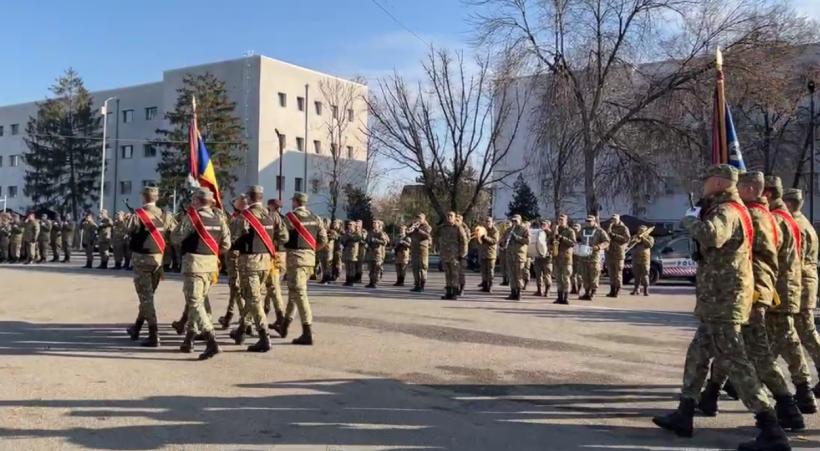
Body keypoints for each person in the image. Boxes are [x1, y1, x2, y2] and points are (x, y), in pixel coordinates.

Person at [652, 164, 791, 451]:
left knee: (736, 362)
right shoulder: (728, 208)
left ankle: (772, 429)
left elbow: (713, 236)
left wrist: (690, 222)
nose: (703, 185)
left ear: (717, 182)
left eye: (706, 181)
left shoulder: (727, 210)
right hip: (717, 300)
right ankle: (685, 411)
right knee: (698, 354)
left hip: (724, 300)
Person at [696, 171, 804, 431]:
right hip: (753, 291)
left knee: (740, 352)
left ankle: (773, 415)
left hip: (748, 291)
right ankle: (709, 397)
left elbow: (756, 259)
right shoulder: (765, 215)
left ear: (753, 190)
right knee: (737, 350)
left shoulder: (754, 215)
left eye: (741, 186)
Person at [764, 175, 817, 414]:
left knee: (794, 333)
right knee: (784, 335)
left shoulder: (785, 221)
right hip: (792, 285)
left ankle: (800, 389)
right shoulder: (795, 220)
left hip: (790, 286)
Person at [172, 188, 231, 360]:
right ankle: (189, 339)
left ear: (197, 201)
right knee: (199, 300)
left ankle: (211, 340)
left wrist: (183, 220)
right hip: (211, 265)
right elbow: (226, 244)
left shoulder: (192, 217)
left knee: (195, 301)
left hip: (195, 264)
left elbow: (175, 238)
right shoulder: (219, 218)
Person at [231, 185, 281, 352]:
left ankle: (263, 336)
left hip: (250, 262)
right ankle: (241, 330)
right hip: (266, 261)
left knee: (253, 299)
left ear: (249, 198)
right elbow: (282, 236)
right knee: (254, 296)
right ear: (260, 197)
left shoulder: (245, 216)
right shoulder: (271, 215)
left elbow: (232, 239)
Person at [783, 188, 820, 397]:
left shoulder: (795, 225)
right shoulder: (804, 223)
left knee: (803, 332)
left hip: (801, 284)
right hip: (807, 282)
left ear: (788, 204)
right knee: (805, 332)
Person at [126, 186, 173, 347]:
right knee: (148, 296)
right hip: (158, 261)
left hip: (142, 260)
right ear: (156, 197)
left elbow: (128, 229)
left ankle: (154, 334)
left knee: (146, 298)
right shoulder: (166, 215)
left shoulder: (138, 214)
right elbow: (172, 233)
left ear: (143, 197)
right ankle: (137, 327)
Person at [278, 192, 327, 345]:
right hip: (309, 260)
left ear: (296, 202)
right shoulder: (315, 218)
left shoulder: (289, 218)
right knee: (294, 291)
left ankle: (307, 331)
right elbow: (323, 240)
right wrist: (310, 251)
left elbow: (283, 238)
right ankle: (285, 324)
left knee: (300, 294)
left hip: (295, 260)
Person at [219, 195, 248, 330]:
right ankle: (229, 315)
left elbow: (233, 240)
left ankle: (245, 319)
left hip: (235, 256)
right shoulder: (242, 217)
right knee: (234, 286)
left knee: (235, 287)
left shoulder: (240, 220)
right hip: (244, 257)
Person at [264, 198, 289, 332]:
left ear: (271, 206)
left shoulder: (272, 217)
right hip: (282, 255)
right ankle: (265, 310)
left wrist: (272, 242)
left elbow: (284, 237)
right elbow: (285, 237)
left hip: (274, 255)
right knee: (271, 285)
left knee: (273, 287)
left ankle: (281, 318)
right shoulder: (284, 218)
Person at [577, 215, 610, 301]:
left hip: (594, 256)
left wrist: (599, 247)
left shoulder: (599, 231)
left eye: (590, 221)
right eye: (587, 221)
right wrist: (578, 245)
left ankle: (593, 292)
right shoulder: (583, 230)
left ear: (594, 221)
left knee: (594, 274)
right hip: (584, 256)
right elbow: (577, 239)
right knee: (585, 274)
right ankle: (586, 292)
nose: (588, 222)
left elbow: (607, 241)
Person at [437, 211, 469, 300]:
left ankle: (454, 293)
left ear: (455, 217)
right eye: (448, 215)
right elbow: (441, 241)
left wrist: (462, 254)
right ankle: (448, 292)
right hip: (445, 255)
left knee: (455, 275)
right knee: (447, 274)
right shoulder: (444, 227)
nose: (449, 217)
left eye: (451, 216)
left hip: (455, 255)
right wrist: (441, 254)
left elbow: (464, 241)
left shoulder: (458, 227)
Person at [605, 214, 630, 298]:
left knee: (618, 273)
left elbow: (626, 239)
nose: (613, 221)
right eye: (612, 219)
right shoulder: (610, 227)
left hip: (619, 253)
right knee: (611, 273)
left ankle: (617, 290)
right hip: (610, 253)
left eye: (615, 219)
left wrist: (615, 236)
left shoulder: (624, 228)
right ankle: (612, 290)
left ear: (618, 219)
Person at [553, 214, 576, 305]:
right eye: (559, 220)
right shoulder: (556, 230)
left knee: (565, 278)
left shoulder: (570, 231)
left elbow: (573, 243)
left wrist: (562, 238)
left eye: (562, 220)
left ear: (566, 221)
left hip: (566, 258)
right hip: (557, 258)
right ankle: (559, 297)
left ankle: (566, 298)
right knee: (558, 278)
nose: (560, 221)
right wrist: (552, 241)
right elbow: (550, 240)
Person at [505, 215, 529, 301]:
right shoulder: (509, 230)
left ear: (520, 221)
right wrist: (503, 242)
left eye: (516, 221)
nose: (514, 222)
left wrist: (517, 237)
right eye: (513, 221)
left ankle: (519, 293)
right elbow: (503, 239)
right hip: (510, 254)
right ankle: (513, 292)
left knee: (518, 275)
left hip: (519, 255)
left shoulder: (524, 230)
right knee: (511, 275)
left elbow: (527, 241)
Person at [408, 213, 432, 292]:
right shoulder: (414, 226)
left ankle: (422, 284)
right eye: (417, 218)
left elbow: (427, 235)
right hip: (414, 249)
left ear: (424, 219)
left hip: (422, 249)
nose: (418, 220)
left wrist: (419, 230)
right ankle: (416, 284)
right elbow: (408, 233)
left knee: (423, 267)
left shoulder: (427, 227)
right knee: (415, 267)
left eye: (420, 218)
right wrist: (410, 229)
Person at [630, 225, 654, 296]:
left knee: (645, 275)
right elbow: (630, 244)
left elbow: (650, 245)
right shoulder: (635, 236)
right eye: (639, 230)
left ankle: (646, 290)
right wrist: (635, 240)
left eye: (642, 231)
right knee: (636, 275)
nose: (640, 232)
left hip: (645, 259)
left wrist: (643, 238)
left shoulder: (650, 238)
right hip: (636, 259)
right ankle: (636, 289)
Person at [365, 220, 389, 288]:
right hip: (371, 252)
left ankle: (375, 282)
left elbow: (384, 242)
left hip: (378, 253)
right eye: (373, 223)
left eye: (376, 223)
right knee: (371, 268)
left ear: (379, 225)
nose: (374, 224)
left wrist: (376, 240)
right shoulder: (370, 232)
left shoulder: (381, 233)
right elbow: (367, 240)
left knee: (376, 268)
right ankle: (371, 282)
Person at [477, 217, 499, 293]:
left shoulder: (495, 230)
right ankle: (485, 285)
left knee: (490, 270)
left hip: (491, 254)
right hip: (483, 252)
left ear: (492, 222)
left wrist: (485, 238)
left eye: (489, 221)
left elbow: (494, 241)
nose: (487, 223)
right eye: (486, 221)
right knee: (484, 271)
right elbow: (479, 240)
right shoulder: (483, 229)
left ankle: (490, 286)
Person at [533, 219, 553, 297]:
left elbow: (553, 245)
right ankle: (539, 290)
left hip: (547, 257)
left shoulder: (551, 234)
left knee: (547, 274)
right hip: (538, 256)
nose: (543, 225)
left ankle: (547, 291)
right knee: (538, 274)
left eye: (545, 224)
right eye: (542, 224)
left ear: (548, 225)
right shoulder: (538, 233)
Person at [340, 220, 362, 286]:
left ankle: (351, 280)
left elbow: (357, 239)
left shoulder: (357, 233)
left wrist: (349, 236)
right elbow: (343, 240)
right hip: (346, 251)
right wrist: (346, 236)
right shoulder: (346, 233)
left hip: (353, 252)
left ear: (354, 226)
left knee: (352, 267)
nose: (349, 226)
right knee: (347, 267)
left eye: (351, 225)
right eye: (349, 225)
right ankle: (347, 280)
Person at [319, 217, 337, 284]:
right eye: (324, 222)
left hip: (328, 250)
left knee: (328, 265)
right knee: (323, 265)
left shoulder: (332, 231)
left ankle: (328, 278)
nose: (325, 224)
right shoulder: (321, 231)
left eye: (326, 223)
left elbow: (334, 237)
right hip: (322, 249)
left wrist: (327, 235)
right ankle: (324, 278)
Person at [455, 214, 470, 295]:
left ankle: (462, 288)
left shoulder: (465, 229)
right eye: (456, 220)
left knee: (461, 272)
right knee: (455, 272)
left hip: (462, 254)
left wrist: (463, 253)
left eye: (458, 220)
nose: (456, 221)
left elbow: (466, 241)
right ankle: (455, 287)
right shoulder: (454, 228)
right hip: (454, 253)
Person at [570, 223, 582, 294]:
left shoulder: (582, 236)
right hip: (572, 256)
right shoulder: (571, 235)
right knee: (572, 274)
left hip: (579, 257)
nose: (575, 229)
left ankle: (579, 288)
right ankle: (573, 288)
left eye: (577, 228)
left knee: (579, 275)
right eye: (574, 228)